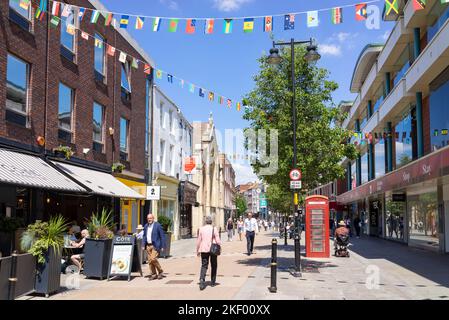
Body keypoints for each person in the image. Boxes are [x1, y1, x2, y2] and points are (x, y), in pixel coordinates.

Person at [196, 215, 221, 290]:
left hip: (203, 249)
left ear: (205, 221)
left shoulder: (201, 229)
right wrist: (220, 246)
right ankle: (213, 282)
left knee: (204, 265)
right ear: (211, 221)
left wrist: (197, 250)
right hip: (213, 249)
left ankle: (202, 280)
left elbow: (198, 240)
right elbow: (217, 239)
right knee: (214, 265)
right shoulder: (214, 229)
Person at [142, 213, 166, 280]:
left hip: (155, 245)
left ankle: (160, 271)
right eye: (148, 218)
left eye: (150, 218)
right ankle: (153, 274)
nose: (149, 219)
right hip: (148, 246)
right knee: (150, 261)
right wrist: (143, 245)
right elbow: (144, 236)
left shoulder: (157, 225)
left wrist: (163, 246)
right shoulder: (146, 226)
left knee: (153, 259)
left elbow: (162, 236)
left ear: (153, 218)